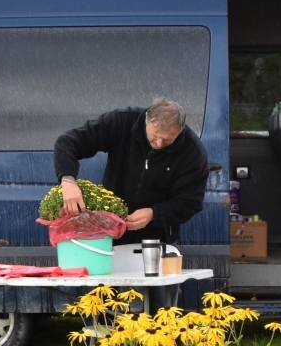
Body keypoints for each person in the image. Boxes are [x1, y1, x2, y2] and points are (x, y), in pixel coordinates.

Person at [53, 97, 210, 245]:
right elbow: (67, 142)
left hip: (156, 240)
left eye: (168, 139)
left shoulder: (192, 153)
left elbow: (190, 202)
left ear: (180, 131)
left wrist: (154, 213)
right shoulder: (122, 122)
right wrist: (68, 180)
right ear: (147, 120)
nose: (160, 143)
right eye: (155, 135)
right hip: (108, 232)